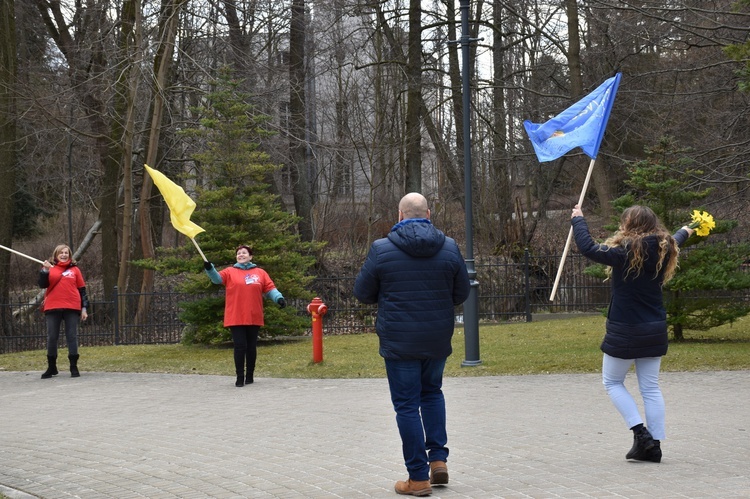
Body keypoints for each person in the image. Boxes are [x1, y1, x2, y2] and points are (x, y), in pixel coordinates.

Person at [354, 192, 470, 496]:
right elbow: (461, 293)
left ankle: (417, 477)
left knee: (407, 405)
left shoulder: (381, 249)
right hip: (436, 337)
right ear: (428, 214)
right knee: (432, 393)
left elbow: (363, 292)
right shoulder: (449, 246)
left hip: (399, 339)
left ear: (399, 215)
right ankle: (438, 460)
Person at [571, 204, 693, 463]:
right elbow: (676, 238)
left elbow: (588, 248)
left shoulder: (623, 252)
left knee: (612, 382)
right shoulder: (665, 247)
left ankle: (642, 435)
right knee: (650, 387)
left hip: (625, 328)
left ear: (628, 225)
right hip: (654, 328)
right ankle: (654, 446)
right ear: (653, 224)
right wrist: (685, 231)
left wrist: (579, 219)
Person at [204, 245, 286, 387]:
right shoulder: (230, 272)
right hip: (235, 315)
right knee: (240, 346)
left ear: (250, 256)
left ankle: (250, 375)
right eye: (238, 253)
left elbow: (270, 288)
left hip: (253, 315)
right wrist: (210, 269)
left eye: (244, 253)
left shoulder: (260, 273)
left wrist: (279, 298)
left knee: (251, 347)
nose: (241, 255)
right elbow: (217, 279)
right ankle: (240, 376)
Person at [38, 244, 89, 379]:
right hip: (53, 306)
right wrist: (45, 270)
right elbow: (42, 284)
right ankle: (52, 367)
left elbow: (82, 290)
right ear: (56, 255)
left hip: (72, 306)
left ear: (70, 255)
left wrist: (84, 308)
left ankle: (73, 366)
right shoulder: (49, 268)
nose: (64, 255)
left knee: (71, 336)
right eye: (61, 253)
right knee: (52, 337)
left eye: (66, 253)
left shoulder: (75, 270)